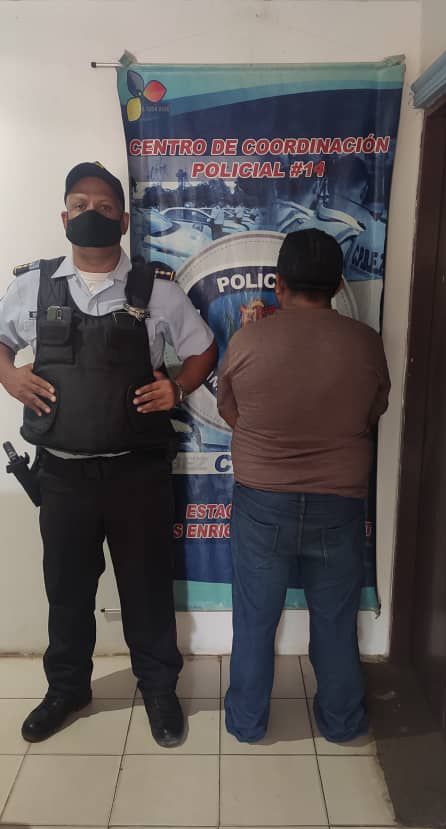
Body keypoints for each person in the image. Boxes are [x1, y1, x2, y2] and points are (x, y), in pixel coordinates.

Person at [0, 162, 217, 747]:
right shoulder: (32, 287)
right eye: (79, 204)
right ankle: (67, 688)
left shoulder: (157, 289)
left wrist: (179, 388)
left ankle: (159, 689)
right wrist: (9, 376)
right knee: (66, 590)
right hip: (62, 476)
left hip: (136, 473)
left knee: (146, 588)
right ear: (63, 215)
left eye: (103, 206)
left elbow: (203, 349)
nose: (90, 213)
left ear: (123, 220)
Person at [217, 228, 390, 744]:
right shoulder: (365, 343)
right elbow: (373, 410)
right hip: (339, 503)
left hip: (262, 502)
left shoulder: (248, 341)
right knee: (335, 621)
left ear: (279, 283)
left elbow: (231, 411)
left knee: (254, 621)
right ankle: (342, 723)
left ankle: (248, 723)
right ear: (337, 285)